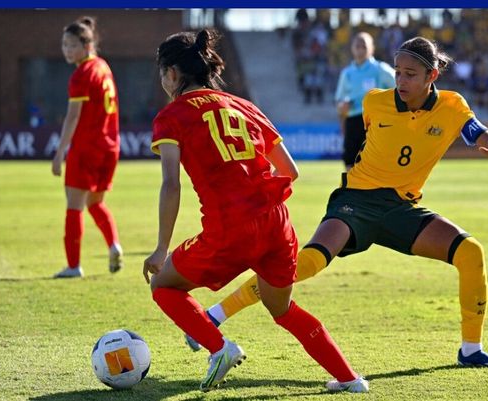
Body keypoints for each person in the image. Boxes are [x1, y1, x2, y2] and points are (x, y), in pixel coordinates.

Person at [188, 36, 488, 369]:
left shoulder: (452, 105)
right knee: (307, 263)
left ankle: (471, 350)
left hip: (402, 208)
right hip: (356, 202)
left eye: (410, 74)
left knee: (470, 251)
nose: (401, 81)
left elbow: (473, 130)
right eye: (398, 72)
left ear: (432, 76)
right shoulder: (375, 102)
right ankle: (215, 315)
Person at [143, 29, 368, 393]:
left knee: (163, 285)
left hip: (229, 227)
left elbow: (172, 184)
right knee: (283, 310)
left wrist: (159, 248)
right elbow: (290, 171)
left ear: (171, 73)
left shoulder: (172, 116)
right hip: (277, 224)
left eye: (162, 74)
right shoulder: (245, 105)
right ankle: (349, 378)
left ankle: (219, 348)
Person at [51, 16, 123, 278]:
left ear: (86, 44)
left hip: (86, 148)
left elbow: (73, 116)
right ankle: (114, 244)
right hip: (110, 147)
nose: (66, 50)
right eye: (63, 45)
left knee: (74, 205)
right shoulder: (103, 66)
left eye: (71, 45)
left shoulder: (81, 75)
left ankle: (73, 266)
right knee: (95, 202)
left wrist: (60, 152)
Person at [335, 32, 395, 170]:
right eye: (357, 45)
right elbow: (339, 101)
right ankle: (353, 190)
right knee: (350, 162)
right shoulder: (347, 73)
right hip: (352, 121)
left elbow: (400, 88)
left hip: (374, 122)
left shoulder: (380, 69)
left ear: (372, 48)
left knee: (373, 162)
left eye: (364, 45)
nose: (360, 48)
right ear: (352, 48)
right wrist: (341, 106)